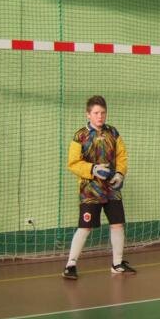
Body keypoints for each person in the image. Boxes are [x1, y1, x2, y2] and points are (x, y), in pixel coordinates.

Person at [63, 95, 135, 280]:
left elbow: (122, 156)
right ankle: (70, 265)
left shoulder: (113, 133)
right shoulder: (80, 136)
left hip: (112, 189)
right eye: (96, 113)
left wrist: (120, 174)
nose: (100, 116)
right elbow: (73, 163)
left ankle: (117, 264)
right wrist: (93, 169)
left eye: (103, 113)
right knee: (85, 227)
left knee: (117, 224)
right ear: (88, 114)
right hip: (90, 190)